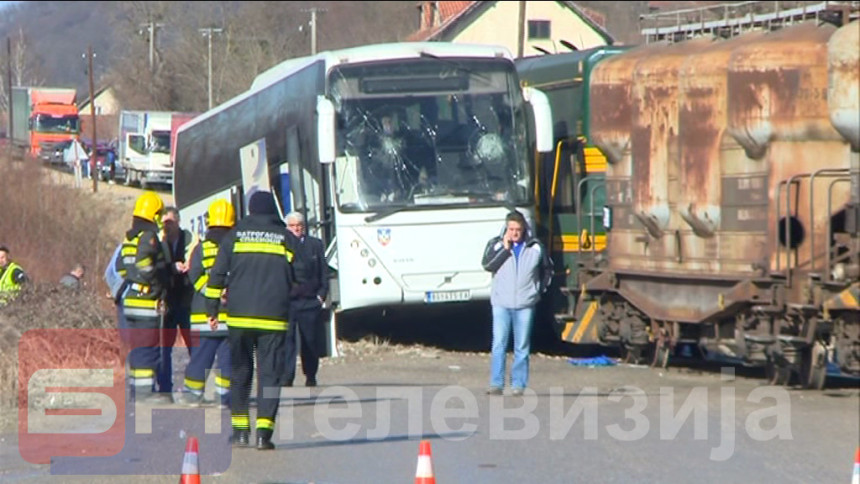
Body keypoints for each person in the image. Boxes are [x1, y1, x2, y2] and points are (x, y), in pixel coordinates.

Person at [206, 190, 297, 450]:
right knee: (269, 375)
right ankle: (263, 435)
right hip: (273, 318)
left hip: (239, 317)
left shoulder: (234, 236)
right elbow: (302, 272)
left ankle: (240, 432)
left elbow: (217, 275)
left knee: (240, 373)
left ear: (250, 210)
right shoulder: (285, 238)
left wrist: (212, 308)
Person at [481, 211, 552, 396]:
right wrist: (505, 249)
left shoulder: (535, 247)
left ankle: (518, 385)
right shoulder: (495, 244)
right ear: (506, 229)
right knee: (499, 344)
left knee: (522, 346)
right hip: (501, 303)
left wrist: (537, 290)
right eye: (511, 229)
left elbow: (547, 270)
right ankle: (496, 383)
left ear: (524, 229)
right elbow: (488, 265)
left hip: (525, 304)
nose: (514, 233)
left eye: (518, 230)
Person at [177, 199, 235, 408]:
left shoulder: (201, 249)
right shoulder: (235, 247)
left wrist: (211, 292)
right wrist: (227, 293)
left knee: (201, 358)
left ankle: (193, 395)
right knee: (227, 359)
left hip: (203, 315)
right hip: (229, 316)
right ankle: (224, 397)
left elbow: (194, 275)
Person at [121, 191, 171, 404]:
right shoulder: (148, 236)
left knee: (137, 347)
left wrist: (135, 279)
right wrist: (156, 283)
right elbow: (143, 262)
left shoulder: (129, 236)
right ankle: (144, 394)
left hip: (131, 299)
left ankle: (135, 390)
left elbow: (122, 268)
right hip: (145, 300)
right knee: (147, 348)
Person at [283, 211, 329, 388]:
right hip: (289, 301)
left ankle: (311, 375)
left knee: (310, 340)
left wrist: (321, 295)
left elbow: (323, 271)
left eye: (299, 226)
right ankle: (287, 377)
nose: (296, 229)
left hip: (310, 301)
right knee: (288, 340)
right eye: (293, 226)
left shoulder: (315, 245)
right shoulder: (282, 245)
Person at [156, 206, 196, 396]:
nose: (167, 226)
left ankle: (195, 386)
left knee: (193, 346)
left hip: (187, 299)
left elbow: (198, 259)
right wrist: (173, 267)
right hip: (168, 300)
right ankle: (165, 387)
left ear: (178, 222)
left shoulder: (190, 239)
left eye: (170, 222)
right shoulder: (158, 241)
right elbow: (157, 267)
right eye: (164, 223)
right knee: (165, 347)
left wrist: (190, 265)